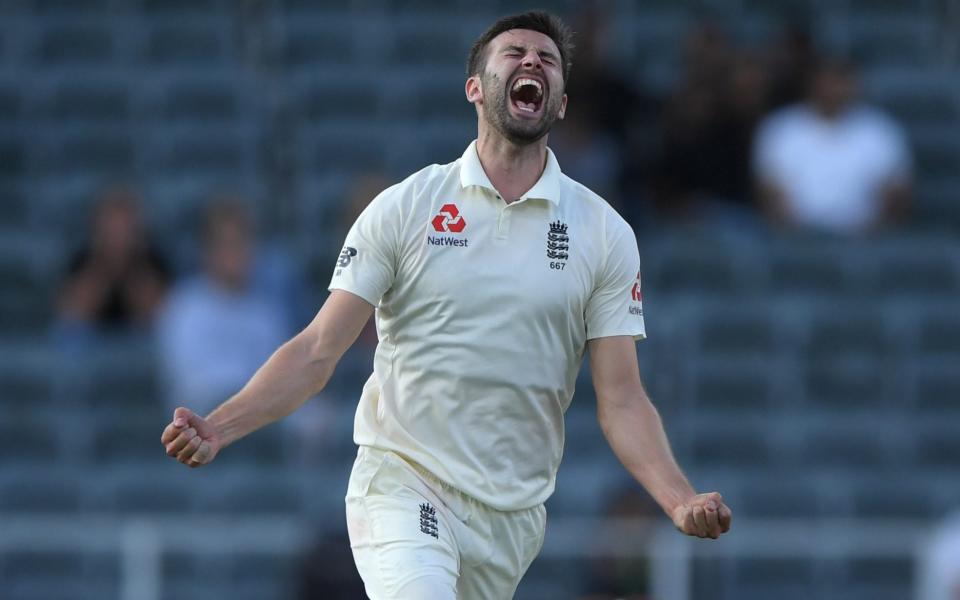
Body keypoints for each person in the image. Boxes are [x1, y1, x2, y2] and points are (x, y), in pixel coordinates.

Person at [161, 11, 732, 599]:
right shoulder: (405, 207)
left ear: (560, 104)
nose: (533, 61)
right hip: (404, 480)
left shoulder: (605, 234)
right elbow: (316, 349)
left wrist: (679, 498)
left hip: (511, 518)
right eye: (514, 53)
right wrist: (220, 426)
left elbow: (622, 398)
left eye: (549, 59)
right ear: (475, 89)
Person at [156, 201, 289, 419]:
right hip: (202, 423)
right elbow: (188, 384)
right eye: (226, 244)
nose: (235, 254)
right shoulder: (184, 306)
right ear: (208, 251)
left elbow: (280, 378)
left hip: (260, 421)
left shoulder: (265, 311)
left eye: (241, 244)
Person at [753, 56, 912, 234]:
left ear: (853, 84)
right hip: (796, 236)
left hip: (864, 238)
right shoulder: (781, 127)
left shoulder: (881, 130)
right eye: (827, 81)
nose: (833, 89)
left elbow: (896, 191)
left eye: (840, 81)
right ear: (812, 83)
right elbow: (769, 190)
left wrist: (875, 231)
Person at [55, 185, 170, 348]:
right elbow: (73, 316)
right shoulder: (82, 260)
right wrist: (106, 265)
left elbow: (159, 317)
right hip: (91, 347)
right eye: (112, 226)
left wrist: (131, 266)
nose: (119, 234)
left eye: (125, 226)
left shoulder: (154, 261)